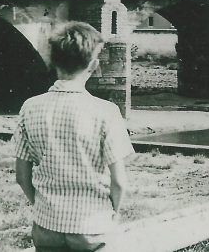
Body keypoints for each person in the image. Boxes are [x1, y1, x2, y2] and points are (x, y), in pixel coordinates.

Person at [13, 21, 134, 252]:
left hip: (46, 227)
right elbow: (119, 181)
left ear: (53, 61)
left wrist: (40, 207)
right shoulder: (105, 111)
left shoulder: (30, 107)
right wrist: (113, 214)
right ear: (94, 65)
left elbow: (22, 176)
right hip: (91, 226)